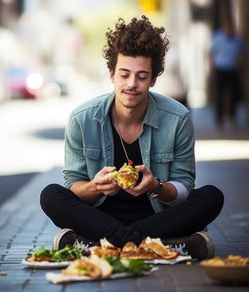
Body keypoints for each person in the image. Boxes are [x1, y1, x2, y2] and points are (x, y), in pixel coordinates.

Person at [40, 16, 224, 260]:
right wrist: (96, 187)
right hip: (101, 218)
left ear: (154, 79)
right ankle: (167, 245)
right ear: (111, 74)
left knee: (211, 196)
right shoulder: (81, 119)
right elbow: (73, 185)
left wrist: (156, 187)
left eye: (141, 76)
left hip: (157, 218)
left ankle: (96, 246)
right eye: (124, 74)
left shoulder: (177, 118)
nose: (132, 84)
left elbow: (184, 187)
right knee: (51, 195)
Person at [209, 19, 247, 131]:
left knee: (234, 96)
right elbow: (211, 53)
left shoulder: (237, 39)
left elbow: (243, 52)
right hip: (221, 69)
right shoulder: (217, 37)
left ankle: (232, 119)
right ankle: (219, 122)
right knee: (220, 96)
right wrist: (211, 66)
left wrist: (240, 63)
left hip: (232, 70)